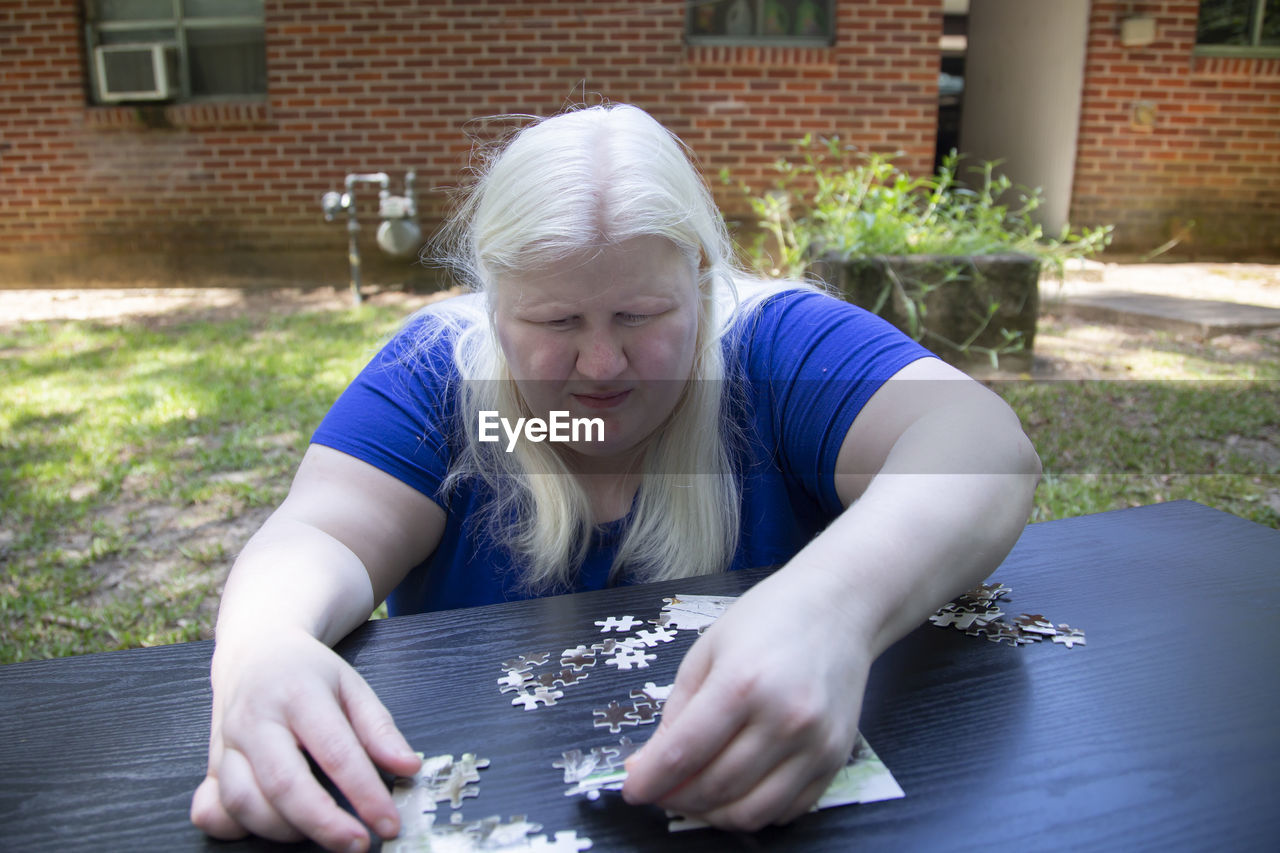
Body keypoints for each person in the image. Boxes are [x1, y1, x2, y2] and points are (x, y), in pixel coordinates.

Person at [190, 103, 1041, 853]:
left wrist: (829, 612)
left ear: (703, 284)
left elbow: (978, 444)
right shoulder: (439, 376)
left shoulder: (774, 348)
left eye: (641, 315)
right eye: (554, 320)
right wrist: (263, 646)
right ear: (490, 303)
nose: (600, 362)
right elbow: (320, 531)